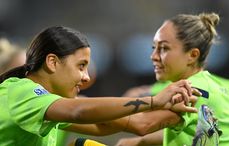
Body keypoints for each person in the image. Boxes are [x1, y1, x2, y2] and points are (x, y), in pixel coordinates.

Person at [0, 26, 198, 146]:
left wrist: (185, 115)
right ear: (52, 62)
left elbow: (138, 124)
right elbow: (78, 111)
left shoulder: (50, 107)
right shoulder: (20, 91)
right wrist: (153, 101)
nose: (86, 78)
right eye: (81, 66)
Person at [115, 12, 229, 146]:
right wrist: (140, 142)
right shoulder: (206, 84)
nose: (153, 56)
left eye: (164, 48)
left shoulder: (192, 90)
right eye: (154, 47)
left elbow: (143, 124)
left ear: (192, 55)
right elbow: (188, 130)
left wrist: (88, 114)